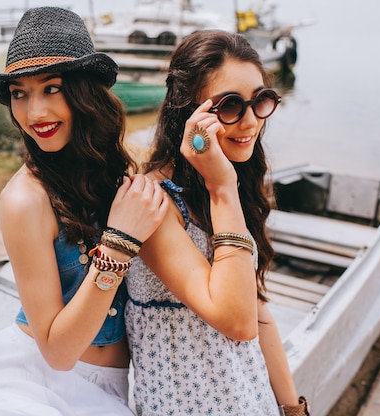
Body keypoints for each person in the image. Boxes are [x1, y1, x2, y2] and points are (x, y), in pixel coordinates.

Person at [0, 7, 168, 415]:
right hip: (35, 382)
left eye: (51, 88)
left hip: (115, 387)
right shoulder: (24, 199)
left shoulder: (118, 173)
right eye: (19, 93)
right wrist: (117, 246)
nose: (34, 113)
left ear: (85, 91)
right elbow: (57, 352)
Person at [124, 30, 310, 415]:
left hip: (250, 398)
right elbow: (236, 322)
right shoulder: (154, 202)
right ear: (187, 113)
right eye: (229, 106)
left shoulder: (227, 180)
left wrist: (294, 409)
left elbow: (257, 312)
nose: (249, 121)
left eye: (261, 101)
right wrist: (222, 187)